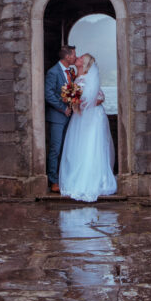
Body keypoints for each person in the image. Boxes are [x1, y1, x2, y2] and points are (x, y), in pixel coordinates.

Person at [59, 53, 117, 202]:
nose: (77, 58)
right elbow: (77, 99)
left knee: (91, 146)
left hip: (93, 118)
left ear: (84, 64)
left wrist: (84, 103)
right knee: (79, 147)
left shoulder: (87, 78)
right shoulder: (76, 78)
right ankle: (77, 178)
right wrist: (74, 100)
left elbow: (100, 97)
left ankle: (94, 181)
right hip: (80, 117)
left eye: (80, 58)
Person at [44, 44, 77, 193]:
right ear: (67, 56)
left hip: (70, 116)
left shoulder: (71, 72)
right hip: (57, 117)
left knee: (66, 148)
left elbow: (71, 92)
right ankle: (53, 181)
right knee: (55, 149)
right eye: (74, 55)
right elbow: (48, 94)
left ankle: (64, 177)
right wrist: (63, 108)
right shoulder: (53, 72)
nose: (76, 57)